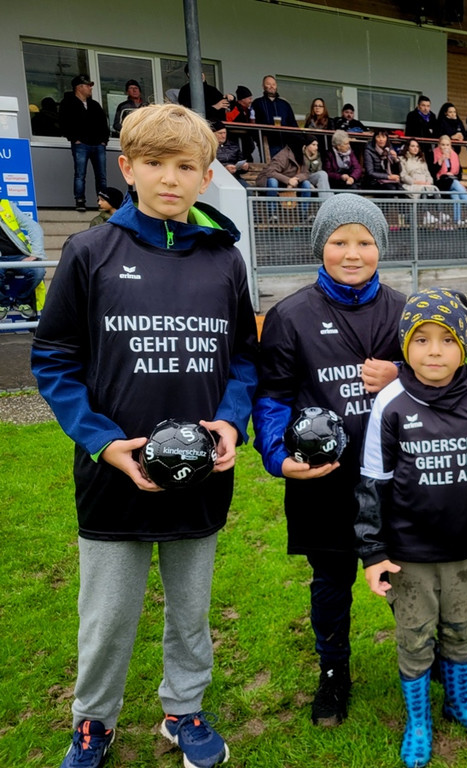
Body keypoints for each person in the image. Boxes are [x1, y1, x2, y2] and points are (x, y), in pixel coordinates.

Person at [32, 102, 257, 768]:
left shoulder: (224, 260)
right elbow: (54, 358)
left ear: (206, 176)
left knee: (191, 612)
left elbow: (244, 358)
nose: (169, 178)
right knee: (107, 618)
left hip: (200, 476)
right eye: (154, 163)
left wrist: (230, 420)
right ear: (127, 168)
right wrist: (102, 441)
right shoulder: (90, 251)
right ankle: (92, 723)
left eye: (185, 166)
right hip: (113, 476)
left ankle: (183, 709)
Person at [253, 193, 406, 729]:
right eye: (339, 241)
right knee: (331, 581)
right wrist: (278, 456)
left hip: (394, 480)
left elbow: (444, 378)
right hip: (325, 483)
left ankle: (423, 657)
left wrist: (401, 375)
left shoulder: (405, 311)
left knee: (404, 575)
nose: (352, 253)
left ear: (380, 247)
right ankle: (334, 672)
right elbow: (272, 396)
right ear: (320, 245)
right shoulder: (290, 315)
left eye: (364, 242)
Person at [356, 287, 467, 768]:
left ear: (464, 345)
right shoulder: (390, 403)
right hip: (408, 553)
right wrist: (372, 553)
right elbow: (372, 484)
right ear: (405, 345)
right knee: (414, 635)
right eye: (422, 339)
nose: (434, 351)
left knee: (460, 629)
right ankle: (419, 721)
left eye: (447, 339)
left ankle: (459, 703)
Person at [59, 74, 109, 212]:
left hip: (98, 145)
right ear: (79, 87)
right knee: (80, 174)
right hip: (81, 144)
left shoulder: (94, 105)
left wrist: (104, 141)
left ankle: (103, 202)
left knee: (101, 176)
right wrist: (74, 138)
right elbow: (63, 123)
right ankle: (80, 200)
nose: (90, 88)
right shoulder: (67, 103)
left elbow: (104, 123)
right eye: (88, 85)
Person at [0, 198, 46, 320]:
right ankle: (2, 303)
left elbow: (34, 227)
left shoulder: (6, 206)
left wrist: (35, 254)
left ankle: (22, 301)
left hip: (19, 255)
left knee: (38, 271)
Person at [251, 75, 299, 160]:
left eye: (274, 84)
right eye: (268, 84)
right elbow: (253, 123)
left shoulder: (284, 104)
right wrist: (258, 140)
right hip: (267, 144)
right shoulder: (257, 103)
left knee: (287, 167)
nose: (271, 86)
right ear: (263, 86)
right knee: (270, 167)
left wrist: (296, 141)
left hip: (285, 144)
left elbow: (292, 123)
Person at [431, 134, 467, 224]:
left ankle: (457, 219)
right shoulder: (433, 153)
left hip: (451, 181)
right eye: (443, 145)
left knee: (455, 194)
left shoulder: (454, 155)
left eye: (447, 145)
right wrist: (440, 161)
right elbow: (432, 172)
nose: (445, 147)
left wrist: (452, 174)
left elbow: (459, 174)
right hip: (440, 182)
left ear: (450, 145)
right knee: (455, 183)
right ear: (439, 145)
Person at [362, 129, 403, 193]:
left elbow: (398, 171)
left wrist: (396, 159)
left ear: (387, 139)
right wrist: (388, 177)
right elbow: (370, 172)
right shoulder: (368, 151)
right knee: (392, 189)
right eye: (378, 137)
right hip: (373, 181)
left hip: (389, 180)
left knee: (401, 190)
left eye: (383, 137)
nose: (381, 139)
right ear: (374, 139)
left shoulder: (389, 149)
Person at [213, 121, 251, 186]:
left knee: (247, 189)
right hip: (216, 179)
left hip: (234, 177)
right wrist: (224, 169)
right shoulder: (208, 147)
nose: (223, 136)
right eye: (220, 133)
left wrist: (245, 168)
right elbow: (208, 167)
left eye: (225, 133)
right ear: (213, 134)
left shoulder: (234, 146)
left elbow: (240, 166)